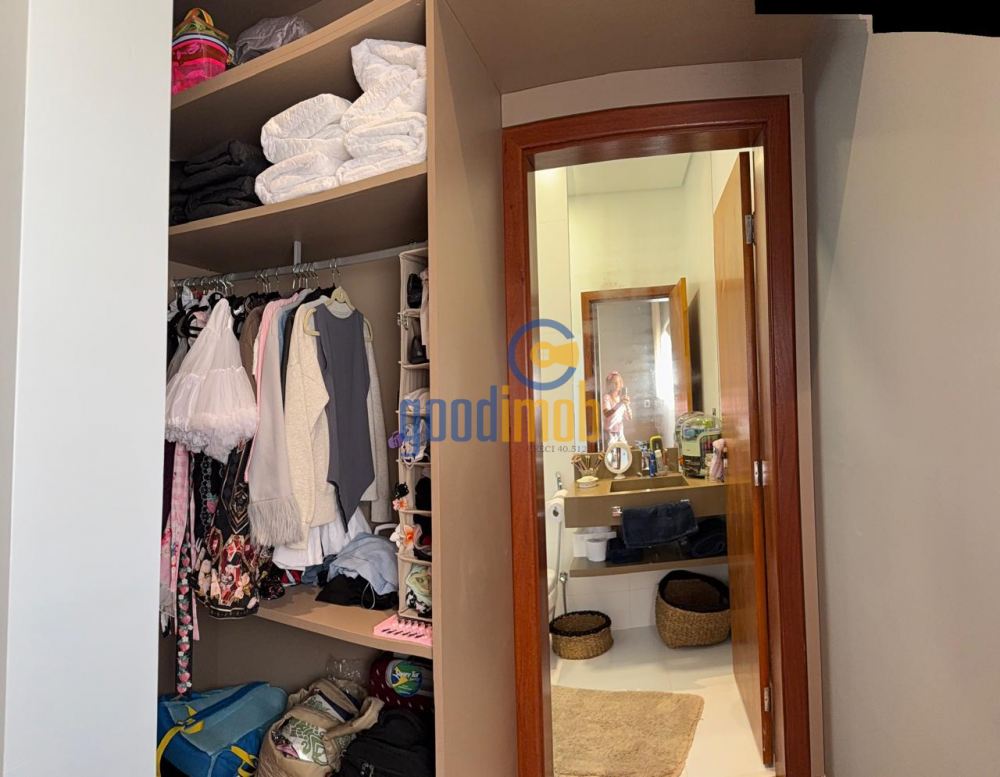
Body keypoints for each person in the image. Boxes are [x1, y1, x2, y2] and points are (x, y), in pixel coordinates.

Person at [602, 370, 632, 442]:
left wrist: (627, 405)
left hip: (620, 432)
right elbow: (606, 414)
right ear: (609, 384)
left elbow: (629, 418)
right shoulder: (606, 397)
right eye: (613, 383)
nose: (615, 385)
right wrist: (620, 403)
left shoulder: (621, 398)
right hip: (609, 433)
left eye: (617, 382)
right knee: (611, 448)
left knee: (624, 448)